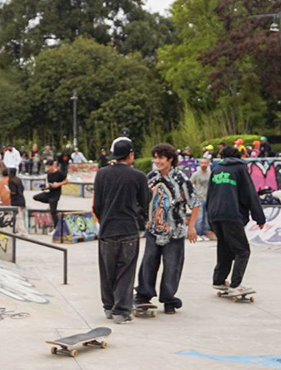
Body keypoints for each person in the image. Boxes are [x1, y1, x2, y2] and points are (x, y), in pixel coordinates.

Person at [91, 137, 150, 323]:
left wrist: (105, 219)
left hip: (107, 229)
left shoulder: (102, 174)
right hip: (128, 230)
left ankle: (108, 307)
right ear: (130, 155)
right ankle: (121, 311)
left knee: (107, 270)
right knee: (126, 270)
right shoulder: (138, 176)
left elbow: (97, 205)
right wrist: (136, 214)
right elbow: (145, 203)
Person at [137, 143, 199, 315]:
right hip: (153, 229)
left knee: (172, 265)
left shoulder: (182, 179)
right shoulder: (151, 177)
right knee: (149, 262)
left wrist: (191, 225)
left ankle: (169, 299)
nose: (158, 161)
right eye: (155, 158)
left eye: (161, 158)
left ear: (170, 159)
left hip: (175, 230)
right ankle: (143, 294)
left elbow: (195, 203)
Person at [205, 144, 267, 291]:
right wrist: (260, 217)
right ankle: (236, 284)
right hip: (231, 214)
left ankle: (219, 280)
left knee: (224, 248)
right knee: (242, 250)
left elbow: (210, 195)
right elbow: (249, 193)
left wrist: (209, 218)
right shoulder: (240, 168)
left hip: (215, 215)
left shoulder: (216, 169)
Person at [32, 159, 67, 234]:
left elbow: (67, 181)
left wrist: (58, 184)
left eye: (48, 167)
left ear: (52, 166)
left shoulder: (59, 173)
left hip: (56, 195)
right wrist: (46, 187)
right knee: (36, 197)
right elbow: (49, 184)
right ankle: (51, 204)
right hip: (50, 193)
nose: (48, 169)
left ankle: (57, 228)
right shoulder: (49, 174)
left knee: (53, 211)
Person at [190, 155, 214, 240]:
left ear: (208, 164)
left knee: (206, 217)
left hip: (208, 198)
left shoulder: (210, 174)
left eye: (205, 163)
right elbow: (190, 184)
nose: (203, 164)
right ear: (200, 164)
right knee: (199, 217)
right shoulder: (196, 174)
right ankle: (198, 233)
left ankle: (204, 232)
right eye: (202, 163)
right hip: (198, 198)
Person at [5, 166, 26, 232]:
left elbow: (13, 192)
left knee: (19, 217)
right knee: (20, 216)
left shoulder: (11, 181)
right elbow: (22, 189)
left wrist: (8, 190)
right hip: (22, 199)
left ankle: (21, 231)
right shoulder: (18, 180)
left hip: (15, 200)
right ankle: (17, 229)